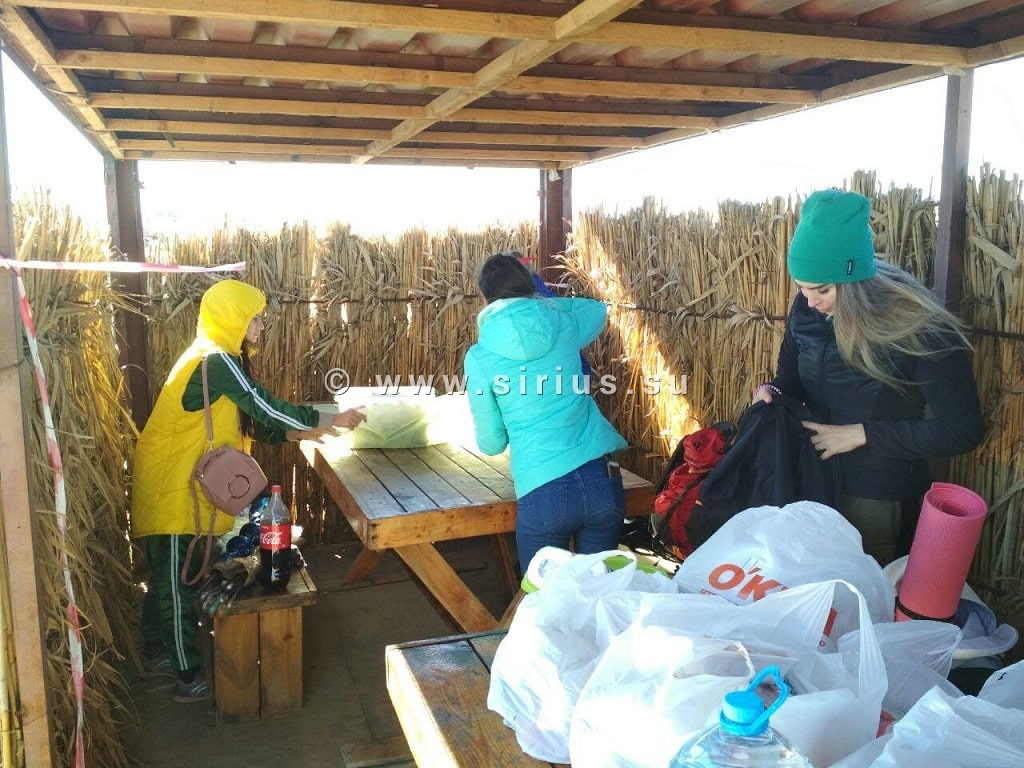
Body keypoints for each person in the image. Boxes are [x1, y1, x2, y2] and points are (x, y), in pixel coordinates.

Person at [131, 278, 365, 702]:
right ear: (232, 318)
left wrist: (297, 434)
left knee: (171, 574)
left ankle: (154, 651)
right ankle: (186, 675)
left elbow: (249, 424)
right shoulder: (214, 359)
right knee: (174, 584)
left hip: (184, 480)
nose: (260, 326)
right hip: (170, 484)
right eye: (254, 319)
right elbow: (266, 406)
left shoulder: (219, 358)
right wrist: (328, 418)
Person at [753, 189, 984, 565]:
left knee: (866, 584)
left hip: (877, 492)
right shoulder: (808, 308)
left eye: (822, 290)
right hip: (813, 478)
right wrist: (771, 391)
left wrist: (863, 434)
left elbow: (963, 429)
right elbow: (789, 379)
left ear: (855, 282)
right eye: (801, 288)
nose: (810, 301)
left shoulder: (920, 327)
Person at [463, 251, 628, 573]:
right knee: (602, 593)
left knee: (544, 598)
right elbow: (596, 309)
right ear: (530, 286)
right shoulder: (562, 325)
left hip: (543, 491)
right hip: (602, 480)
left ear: (485, 297)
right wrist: (543, 304)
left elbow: (491, 444)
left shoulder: (479, 357)